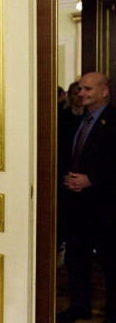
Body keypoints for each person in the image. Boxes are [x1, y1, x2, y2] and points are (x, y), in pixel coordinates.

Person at [58, 72, 116, 323]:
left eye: (87, 89)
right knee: (76, 259)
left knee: (109, 262)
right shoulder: (74, 121)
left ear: (104, 91)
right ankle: (79, 306)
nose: (81, 94)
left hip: (105, 207)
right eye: (80, 89)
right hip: (75, 206)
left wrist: (91, 179)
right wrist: (63, 177)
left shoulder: (113, 121)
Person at [56, 81, 85, 255]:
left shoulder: (89, 118)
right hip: (64, 173)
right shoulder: (61, 117)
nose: (79, 96)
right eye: (76, 92)